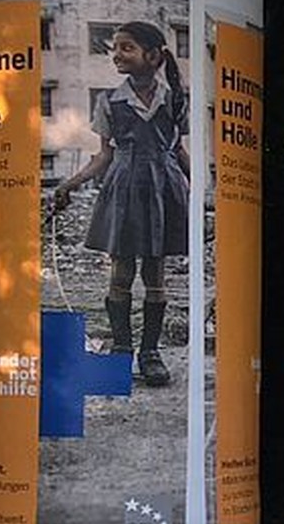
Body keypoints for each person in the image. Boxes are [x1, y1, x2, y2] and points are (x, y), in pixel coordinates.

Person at [51, 22, 189, 387]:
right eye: (115, 48)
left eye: (126, 48)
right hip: (124, 189)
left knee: (155, 274)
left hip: (163, 190)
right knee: (122, 272)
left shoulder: (174, 98)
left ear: (154, 56)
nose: (116, 54)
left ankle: (150, 353)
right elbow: (103, 157)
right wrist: (70, 183)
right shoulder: (109, 101)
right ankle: (123, 351)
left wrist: (209, 188)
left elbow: (178, 149)